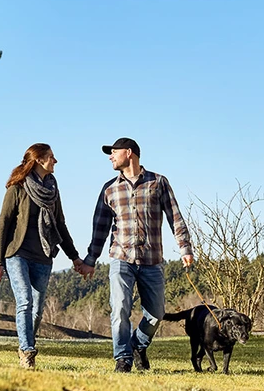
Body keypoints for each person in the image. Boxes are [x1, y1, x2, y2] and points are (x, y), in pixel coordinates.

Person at [76, 137, 193, 373]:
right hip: (121, 258)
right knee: (120, 309)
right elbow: (99, 228)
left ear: (129, 153)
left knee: (156, 314)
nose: (110, 156)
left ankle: (138, 345)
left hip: (152, 260)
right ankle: (123, 358)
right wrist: (90, 260)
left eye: (114, 152)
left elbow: (175, 217)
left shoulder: (158, 182)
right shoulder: (109, 188)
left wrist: (185, 248)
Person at [0, 143, 84, 369]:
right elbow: (2, 224)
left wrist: (75, 257)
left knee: (37, 309)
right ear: (39, 160)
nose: (55, 161)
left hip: (43, 255)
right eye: (52, 157)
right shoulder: (18, 188)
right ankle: (27, 351)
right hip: (17, 253)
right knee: (24, 301)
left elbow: (60, 225)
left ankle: (27, 343)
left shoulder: (52, 189)